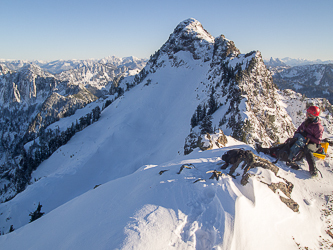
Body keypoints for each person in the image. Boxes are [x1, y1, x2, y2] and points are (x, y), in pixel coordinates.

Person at [256, 106, 324, 177]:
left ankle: (313, 170)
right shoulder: (306, 123)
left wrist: (307, 136)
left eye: (309, 115)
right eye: (307, 114)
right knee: (286, 145)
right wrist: (299, 135)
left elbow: (318, 141)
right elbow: (297, 131)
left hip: (313, 143)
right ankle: (265, 150)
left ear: (313, 116)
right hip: (302, 140)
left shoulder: (318, 127)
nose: (307, 115)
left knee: (307, 149)